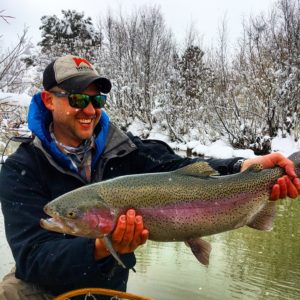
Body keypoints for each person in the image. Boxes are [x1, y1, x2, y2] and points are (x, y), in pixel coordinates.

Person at [0, 55, 299, 300]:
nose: (89, 110)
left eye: (97, 101)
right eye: (78, 99)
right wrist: (101, 246)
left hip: (106, 288)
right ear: (49, 100)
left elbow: (181, 168)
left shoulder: (125, 150)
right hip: (40, 290)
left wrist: (241, 167)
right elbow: (32, 259)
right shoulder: (20, 168)